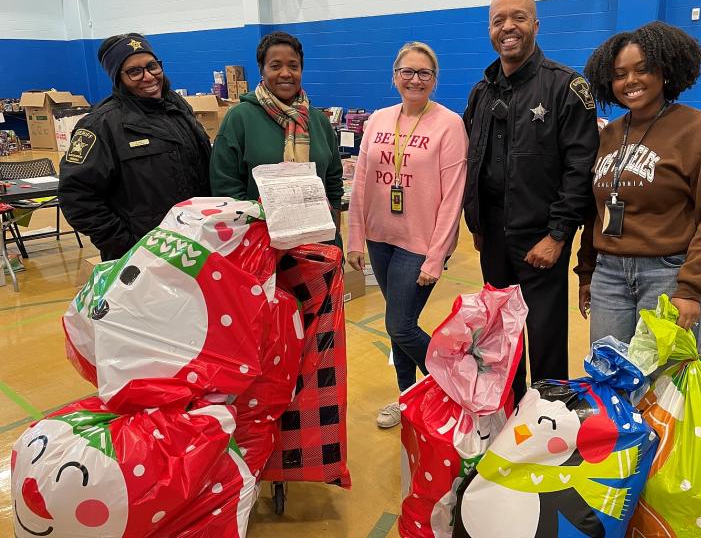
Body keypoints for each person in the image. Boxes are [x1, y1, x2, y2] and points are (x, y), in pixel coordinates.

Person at [463, 0, 599, 400]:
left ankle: (549, 421)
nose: (508, 27)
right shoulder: (481, 92)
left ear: (536, 25)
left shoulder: (566, 87)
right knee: (501, 337)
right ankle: (509, 413)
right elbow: (476, 162)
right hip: (493, 236)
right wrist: (477, 222)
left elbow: (581, 170)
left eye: (518, 17)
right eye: (498, 19)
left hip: (541, 237)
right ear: (490, 30)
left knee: (545, 338)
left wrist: (558, 235)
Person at [576, 21, 701, 351]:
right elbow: (596, 211)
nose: (630, 81)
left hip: (668, 275)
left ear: (665, 71)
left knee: (662, 389)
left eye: (643, 69)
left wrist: (691, 289)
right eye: (620, 74)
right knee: (609, 381)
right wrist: (588, 271)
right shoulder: (608, 135)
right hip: (610, 273)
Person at [346, 42, 467, 428]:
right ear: (394, 76)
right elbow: (362, 181)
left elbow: (453, 198)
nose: (415, 79)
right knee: (400, 322)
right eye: (408, 72)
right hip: (382, 239)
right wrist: (355, 237)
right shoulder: (378, 120)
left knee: (399, 325)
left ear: (434, 80)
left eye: (424, 73)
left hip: (420, 244)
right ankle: (407, 398)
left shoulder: (449, 123)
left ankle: (455, 388)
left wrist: (436, 256)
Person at [59, 33, 212, 261]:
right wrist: (127, 244)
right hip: (141, 257)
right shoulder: (100, 125)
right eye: (134, 71)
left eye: (152, 66)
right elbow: (77, 197)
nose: (148, 77)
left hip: (196, 244)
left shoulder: (178, 109)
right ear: (118, 78)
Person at [209, 31, 343, 232]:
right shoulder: (239, 118)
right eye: (275, 66)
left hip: (317, 241)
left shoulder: (317, 121)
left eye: (293, 66)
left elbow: (332, 181)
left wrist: (333, 230)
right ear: (261, 70)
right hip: (259, 244)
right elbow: (225, 187)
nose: (286, 73)